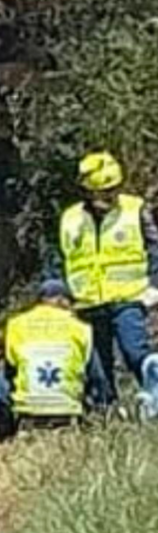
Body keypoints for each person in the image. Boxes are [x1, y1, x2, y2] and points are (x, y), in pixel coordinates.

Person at [52, 151, 158, 406]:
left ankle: (154, 393)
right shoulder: (71, 219)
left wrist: (155, 286)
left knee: (135, 351)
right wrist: (58, 295)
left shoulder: (136, 210)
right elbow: (59, 259)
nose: (110, 196)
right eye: (103, 191)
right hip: (86, 303)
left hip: (129, 298)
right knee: (99, 369)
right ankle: (105, 413)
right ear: (87, 191)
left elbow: (155, 249)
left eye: (113, 189)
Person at [0, 279, 102, 440]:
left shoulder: (17, 324)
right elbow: (97, 377)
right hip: (68, 409)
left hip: (29, 410)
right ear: (63, 300)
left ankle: (4, 432)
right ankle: (86, 424)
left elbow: (11, 367)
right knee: (89, 375)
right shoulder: (80, 328)